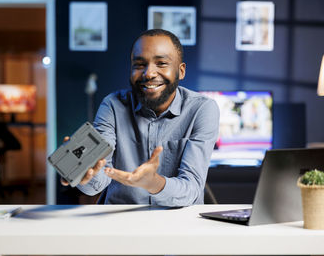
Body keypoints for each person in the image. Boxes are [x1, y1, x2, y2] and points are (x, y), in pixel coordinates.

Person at [62, 29, 219, 207]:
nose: (149, 73)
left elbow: (192, 188)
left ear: (180, 71)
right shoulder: (113, 105)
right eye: (139, 64)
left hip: (178, 224)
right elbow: (97, 183)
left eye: (161, 63)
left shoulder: (202, 109)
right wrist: (84, 171)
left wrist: (153, 183)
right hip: (119, 222)